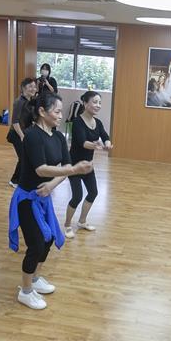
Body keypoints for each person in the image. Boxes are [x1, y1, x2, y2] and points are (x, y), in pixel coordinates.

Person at [8, 92, 92, 310]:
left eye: (61, 111)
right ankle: (25, 292)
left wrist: (51, 186)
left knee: (48, 239)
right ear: (42, 112)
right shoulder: (32, 136)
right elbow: (41, 169)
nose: (61, 115)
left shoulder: (58, 137)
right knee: (36, 243)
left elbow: (65, 166)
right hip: (27, 200)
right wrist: (74, 170)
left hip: (43, 197)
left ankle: (35, 278)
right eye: (57, 111)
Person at [64, 91, 112, 239]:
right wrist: (97, 146)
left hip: (87, 165)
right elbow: (82, 142)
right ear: (85, 104)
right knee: (77, 196)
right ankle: (67, 225)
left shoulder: (98, 122)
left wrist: (107, 144)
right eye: (95, 102)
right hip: (74, 165)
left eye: (99, 102)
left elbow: (105, 136)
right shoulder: (77, 122)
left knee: (93, 192)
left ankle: (82, 221)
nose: (98, 105)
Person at [7, 77, 38, 187]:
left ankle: (21, 178)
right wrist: (21, 136)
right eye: (30, 86)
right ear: (24, 88)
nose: (33, 89)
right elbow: (15, 122)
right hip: (17, 134)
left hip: (24, 133)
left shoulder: (30, 101)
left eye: (34, 86)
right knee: (24, 158)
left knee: (26, 157)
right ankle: (14, 180)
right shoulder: (19, 102)